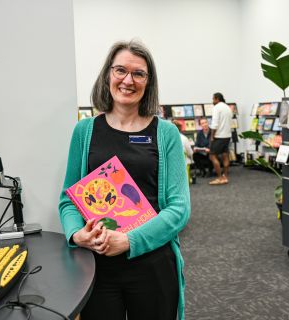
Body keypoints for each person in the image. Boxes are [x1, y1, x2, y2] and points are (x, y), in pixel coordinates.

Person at [58, 40, 190, 320]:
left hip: (152, 262)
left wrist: (129, 240)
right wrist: (76, 234)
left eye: (138, 73)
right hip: (97, 265)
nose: (128, 80)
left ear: (148, 81)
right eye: (120, 70)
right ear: (108, 74)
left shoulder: (165, 133)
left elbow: (179, 209)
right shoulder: (85, 131)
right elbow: (68, 200)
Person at [208, 92, 233, 185]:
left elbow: (214, 123)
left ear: (217, 99)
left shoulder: (216, 108)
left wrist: (212, 136)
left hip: (219, 136)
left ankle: (219, 178)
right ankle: (225, 177)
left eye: (213, 99)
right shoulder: (227, 108)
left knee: (212, 156)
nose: (212, 101)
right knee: (225, 156)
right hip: (227, 136)